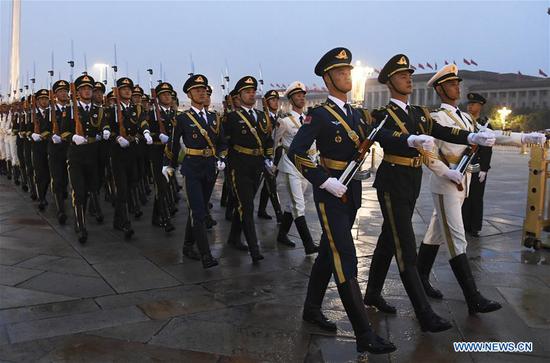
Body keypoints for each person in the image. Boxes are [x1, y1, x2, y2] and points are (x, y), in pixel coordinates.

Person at [287, 47, 409, 354]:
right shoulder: (319, 115)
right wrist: (323, 180)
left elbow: (380, 136)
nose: (347, 76)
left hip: (352, 190)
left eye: (349, 72)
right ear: (328, 79)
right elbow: (296, 152)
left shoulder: (356, 113)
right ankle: (364, 333)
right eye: (341, 72)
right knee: (345, 256)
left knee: (329, 252)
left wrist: (410, 139)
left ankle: (311, 308)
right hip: (331, 193)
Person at [420, 64, 546, 314]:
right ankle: (473, 297)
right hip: (447, 182)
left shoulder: (466, 118)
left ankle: (420, 279)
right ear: (440, 88)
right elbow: (428, 153)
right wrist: (447, 172)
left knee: (434, 234)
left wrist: (525, 138)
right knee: (457, 239)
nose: (458, 86)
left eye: (458, 82)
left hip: (462, 180)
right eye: (452, 83)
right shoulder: (436, 118)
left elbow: (491, 135)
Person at [163, 74, 226, 268]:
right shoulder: (182, 118)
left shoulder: (215, 117)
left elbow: (222, 142)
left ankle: (187, 245)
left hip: (210, 168)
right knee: (199, 212)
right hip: (192, 168)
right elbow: (173, 143)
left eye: (204, 89)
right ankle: (206, 255)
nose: (202, 92)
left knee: (198, 209)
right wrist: (168, 163)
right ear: (189, 94)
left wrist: (222, 157)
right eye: (197, 90)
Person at [224, 76, 274, 263]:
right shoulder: (231, 117)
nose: (251, 94)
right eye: (247, 92)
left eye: (253, 91)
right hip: (239, 166)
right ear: (239, 96)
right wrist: (224, 162)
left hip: (257, 165)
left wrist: (268, 158)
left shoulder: (262, 116)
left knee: (244, 204)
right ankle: (254, 248)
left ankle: (233, 237)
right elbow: (224, 141)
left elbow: (268, 139)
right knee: (247, 206)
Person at [274, 82, 318, 254]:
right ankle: (308, 245)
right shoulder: (284, 121)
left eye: (303, 95)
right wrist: (271, 162)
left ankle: (282, 235)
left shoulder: (309, 119)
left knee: (292, 204)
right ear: (291, 99)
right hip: (292, 166)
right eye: (297, 95)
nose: (301, 98)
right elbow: (274, 142)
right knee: (298, 205)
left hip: (307, 167)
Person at [462, 92, 492, 237]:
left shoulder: (486, 124)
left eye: (473, 104)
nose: (470, 106)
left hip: (478, 166)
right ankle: (463, 224)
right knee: (464, 196)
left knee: (476, 197)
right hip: (463, 165)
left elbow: (487, 149)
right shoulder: (464, 122)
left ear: (480, 106)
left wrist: (484, 168)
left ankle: (474, 227)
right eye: (469, 104)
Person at [257, 89, 283, 222]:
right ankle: (279, 215)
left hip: (276, 155)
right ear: (266, 103)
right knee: (271, 184)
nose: (276, 102)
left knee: (268, 184)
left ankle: (261, 209)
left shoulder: (279, 117)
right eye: (272, 100)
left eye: (276, 99)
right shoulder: (262, 118)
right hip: (264, 156)